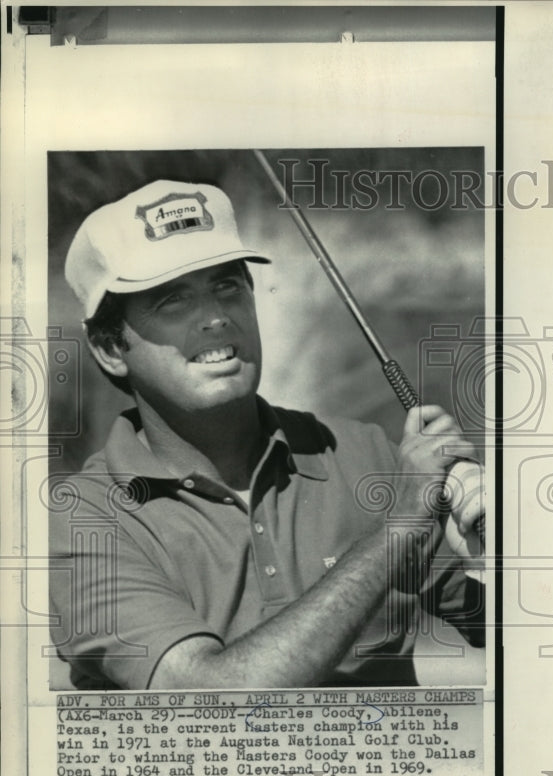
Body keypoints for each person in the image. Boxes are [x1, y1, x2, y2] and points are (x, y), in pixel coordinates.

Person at [49, 178, 485, 690]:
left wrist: (496, 548)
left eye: (228, 287)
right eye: (173, 302)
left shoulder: (364, 452)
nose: (215, 318)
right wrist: (399, 531)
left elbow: (522, 637)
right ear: (110, 349)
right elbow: (210, 699)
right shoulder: (82, 516)